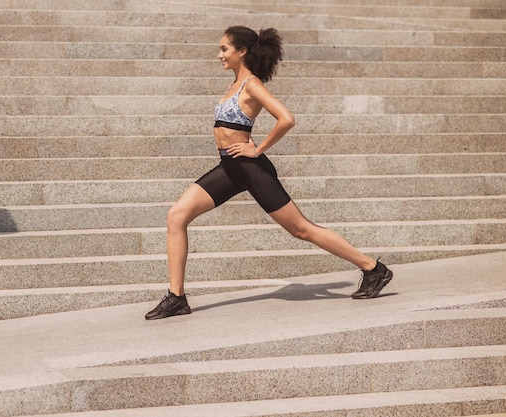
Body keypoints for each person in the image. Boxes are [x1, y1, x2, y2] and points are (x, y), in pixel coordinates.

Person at [145, 26, 393, 320]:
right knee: (176, 215)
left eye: (224, 49)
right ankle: (176, 298)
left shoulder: (251, 84)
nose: (219, 55)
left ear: (242, 51)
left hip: (251, 168)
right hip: (229, 168)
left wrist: (257, 149)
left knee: (300, 228)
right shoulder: (234, 84)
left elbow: (286, 118)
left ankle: (373, 269)